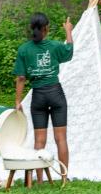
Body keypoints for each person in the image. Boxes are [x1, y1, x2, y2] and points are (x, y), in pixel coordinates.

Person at [13, 12, 74, 182]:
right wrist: (68, 30)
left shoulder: (24, 49)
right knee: (60, 138)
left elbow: (21, 78)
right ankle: (64, 176)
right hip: (56, 94)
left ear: (31, 28)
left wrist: (18, 101)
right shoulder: (54, 46)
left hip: (38, 96)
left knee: (39, 140)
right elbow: (69, 51)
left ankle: (39, 180)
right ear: (47, 28)